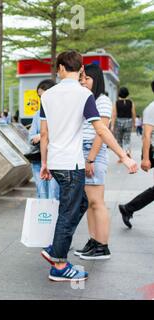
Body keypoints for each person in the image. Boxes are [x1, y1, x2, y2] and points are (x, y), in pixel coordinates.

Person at [39, 50, 137, 282]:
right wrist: (123, 156)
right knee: (69, 211)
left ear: (61, 68)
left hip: (55, 161)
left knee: (80, 202)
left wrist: (44, 163)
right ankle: (59, 266)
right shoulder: (84, 95)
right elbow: (101, 129)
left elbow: (44, 133)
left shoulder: (47, 96)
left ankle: (55, 250)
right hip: (71, 164)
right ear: (80, 69)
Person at [74, 64, 113, 260]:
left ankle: (102, 245)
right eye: (81, 78)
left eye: (86, 78)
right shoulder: (89, 99)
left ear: (96, 80)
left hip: (93, 152)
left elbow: (101, 133)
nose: (83, 81)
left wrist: (90, 159)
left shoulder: (103, 100)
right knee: (90, 202)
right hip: (85, 152)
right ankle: (94, 240)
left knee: (97, 202)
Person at [119, 80, 154, 228]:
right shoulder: (151, 109)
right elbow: (146, 135)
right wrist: (145, 158)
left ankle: (128, 208)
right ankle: (128, 208)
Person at [28, 79, 59, 200]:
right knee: (42, 194)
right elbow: (30, 137)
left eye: (43, 96)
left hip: (55, 160)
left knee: (54, 194)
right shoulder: (37, 114)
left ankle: (55, 219)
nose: (41, 100)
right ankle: (43, 219)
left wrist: (42, 135)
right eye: (39, 96)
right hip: (38, 161)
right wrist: (37, 137)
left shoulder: (60, 113)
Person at [111, 87, 136, 158]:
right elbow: (133, 113)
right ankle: (127, 151)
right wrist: (134, 123)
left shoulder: (116, 103)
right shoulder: (131, 102)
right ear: (127, 94)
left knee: (119, 139)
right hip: (128, 122)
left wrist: (112, 125)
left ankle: (121, 155)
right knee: (127, 138)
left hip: (119, 122)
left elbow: (114, 114)